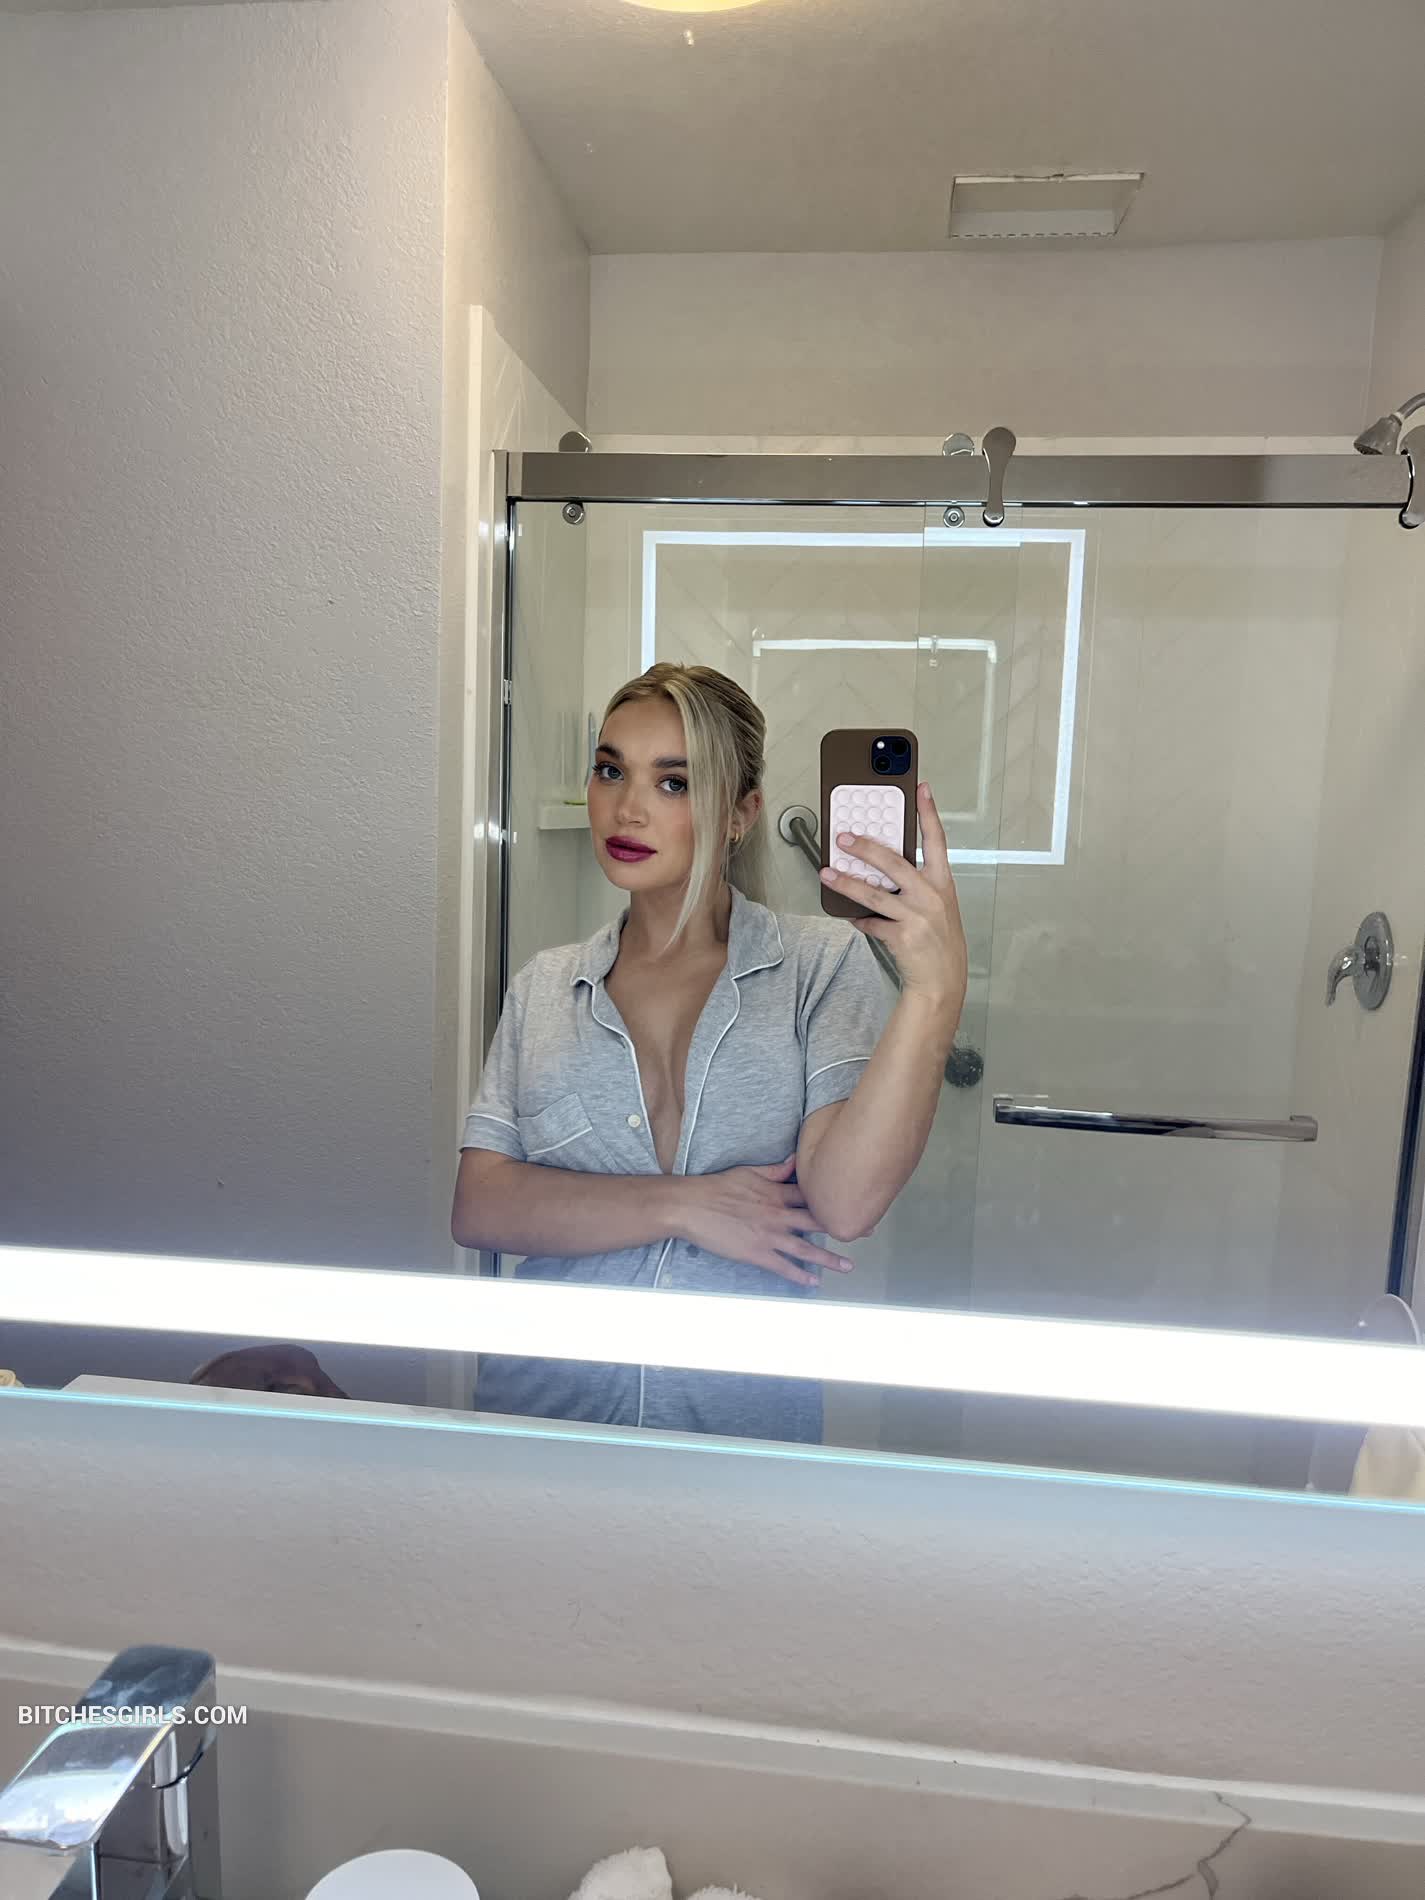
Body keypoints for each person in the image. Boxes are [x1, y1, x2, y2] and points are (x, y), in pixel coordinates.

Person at [451, 662, 968, 1443]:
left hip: (739, 1433)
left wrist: (934, 992)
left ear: (740, 813)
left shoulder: (818, 966)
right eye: (610, 770)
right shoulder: (546, 986)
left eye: (674, 783)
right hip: (537, 1419)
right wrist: (684, 1206)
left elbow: (846, 1203)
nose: (627, 808)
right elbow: (481, 1205)